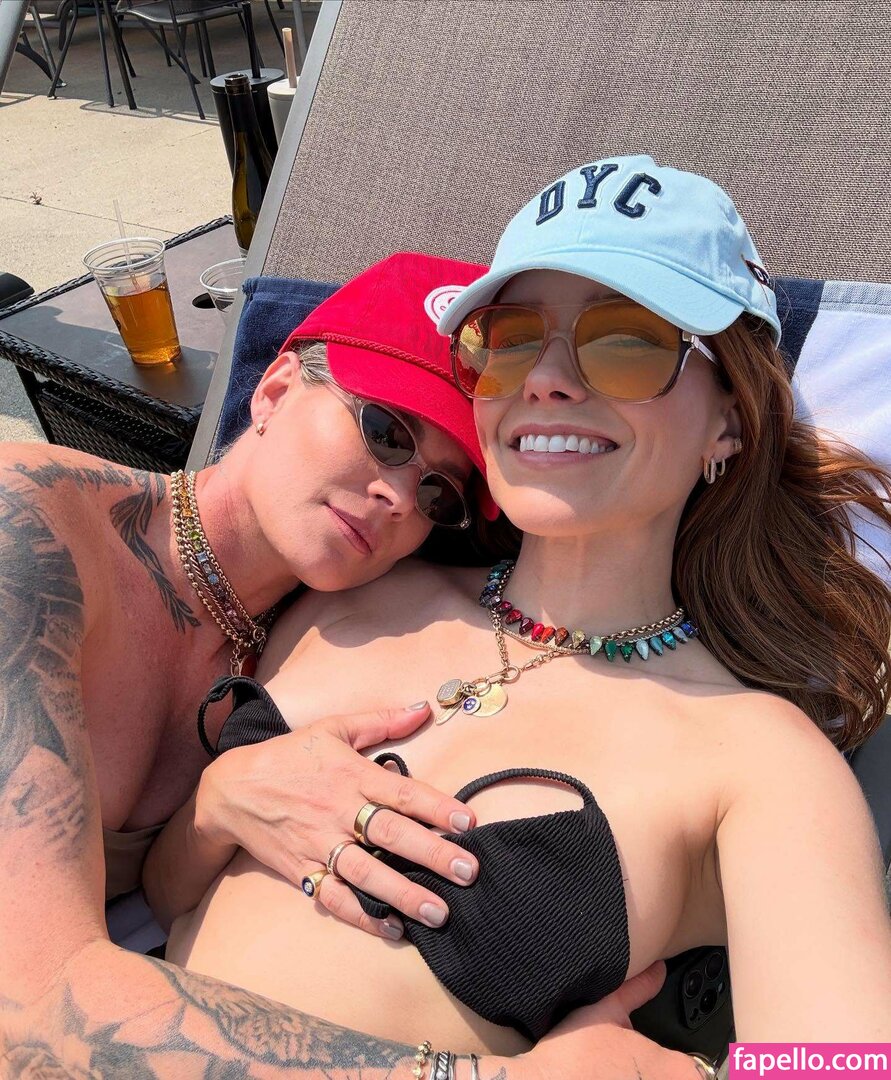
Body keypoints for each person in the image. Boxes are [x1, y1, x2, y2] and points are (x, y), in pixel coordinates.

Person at [150, 157, 891, 1069]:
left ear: (728, 422)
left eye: (627, 341)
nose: (545, 378)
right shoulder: (358, 585)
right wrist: (219, 801)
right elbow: (165, 896)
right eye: (508, 338)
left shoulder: (756, 758)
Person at [5, 251, 681, 1078]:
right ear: (275, 389)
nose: (399, 495)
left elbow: (825, 1056)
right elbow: (28, 1008)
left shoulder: (318, 635)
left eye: (439, 494)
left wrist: (214, 808)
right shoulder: (27, 530)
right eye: (385, 431)